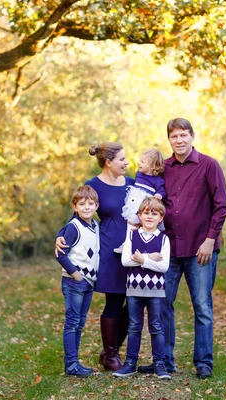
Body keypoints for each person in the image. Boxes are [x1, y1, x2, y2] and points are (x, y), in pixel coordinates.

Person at [137, 118, 226, 379]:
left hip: (201, 249)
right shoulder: (163, 168)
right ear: (169, 139)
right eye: (174, 136)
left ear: (192, 136)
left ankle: (203, 362)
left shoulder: (209, 166)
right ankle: (165, 360)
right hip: (168, 248)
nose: (179, 140)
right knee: (163, 304)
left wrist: (210, 239)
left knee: (202, 306)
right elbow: (144, 194)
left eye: (183, 135)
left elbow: (221, 206)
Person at [55, 142, 133, 371]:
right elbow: (77, 215)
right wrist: (61, 235)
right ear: (108, 162)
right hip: (108, 250)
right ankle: (110, 355)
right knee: (114, 301)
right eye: (122, 159)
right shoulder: (93, 185)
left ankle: (111, 349)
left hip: (133, 249)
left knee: (134, 303)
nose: (127, 162)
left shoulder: (132, 184)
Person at [112, 197, 171, 380]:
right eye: (146, 212)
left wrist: (142, 260)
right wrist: (151, 257)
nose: (150, 216)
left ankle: (160, 364)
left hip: (156, 290)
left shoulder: (163, 239)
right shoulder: (132, 235)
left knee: (156, 327)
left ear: (161, 217)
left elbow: (164, 267)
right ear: (139, 215)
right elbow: (125, 260)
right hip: (134, 289)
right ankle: (130, 363)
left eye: (154, 213)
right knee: (134, 327)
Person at [55, 185, 100, 377]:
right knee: (72, 323)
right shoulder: (74, 227)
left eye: (91, 204)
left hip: (89, 282)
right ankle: (71, 364)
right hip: (75, 281)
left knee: (80, 323)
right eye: (82, 204)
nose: (87, 207)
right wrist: (75, 273)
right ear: (75, 206)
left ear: (97, 205)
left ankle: (74, 362)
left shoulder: (95, 226)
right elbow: (61, 254)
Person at [114, 148, 166, 254]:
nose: (139, 163)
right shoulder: (139, 174)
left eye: (142, 162)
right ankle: (127, 243)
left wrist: (159, 195)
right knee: (131, 222)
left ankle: (140, 246)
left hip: (145, 204)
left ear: (152, 166)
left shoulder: (158, 180)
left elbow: (162, 191)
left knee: (142, 226)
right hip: (134, 201)